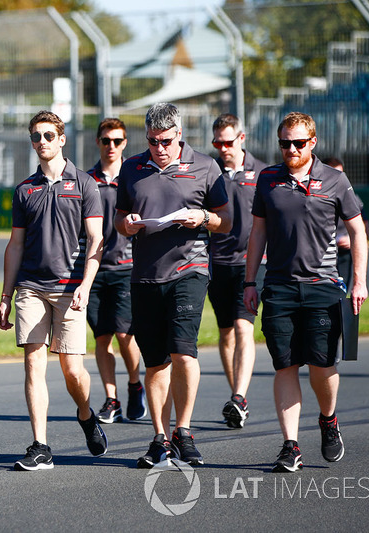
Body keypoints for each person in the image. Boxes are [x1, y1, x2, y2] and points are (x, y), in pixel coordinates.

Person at [244, 112, 368, 473]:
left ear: (312, 142)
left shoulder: (335, 180)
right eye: (285, 143)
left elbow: (357, 231)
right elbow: (257, 234)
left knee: (322, 365)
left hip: (323, 286)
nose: (291, 149)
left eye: (298, 143)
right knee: (285, 365)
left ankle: (328, 419)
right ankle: (290, 446)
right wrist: (251, 282)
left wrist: (358, 280)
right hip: (279, 287)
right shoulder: (268, 179)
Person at [114, 103, 231, 468]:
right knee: (155, 363)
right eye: (152, 141)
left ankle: (184, 431)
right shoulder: (132, 167)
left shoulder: (206, 167)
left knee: (183, 351)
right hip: (145, 275)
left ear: (179, 134)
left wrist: (205, 217)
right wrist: (128, 224)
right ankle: (160, 439)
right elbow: (120, 218)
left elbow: (226, 221)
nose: (159, 148)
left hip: (190, 270)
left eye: (165, 140)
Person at [0, 110, 108, 471]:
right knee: (33, 362)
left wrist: (86, 287)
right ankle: (40, 445)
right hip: (31, 287)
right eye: (35, 137)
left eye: (47, 135)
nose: (41, 142)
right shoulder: (24, 189)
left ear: (61, 139)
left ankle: (87, 414)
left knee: (72, 370)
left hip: (70, 288)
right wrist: (5, 297)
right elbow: (15, 245)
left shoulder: (85, 184)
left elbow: (96, 240)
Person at [207, 114, 268, 429]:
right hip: (216, 262)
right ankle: (237, 399)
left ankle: (240, 396)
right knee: (226, 332)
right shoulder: (209, 170)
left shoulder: (262, 173)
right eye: (217, 143)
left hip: (252, 263)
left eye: (228, 142)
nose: (223, 148)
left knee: (244, 328)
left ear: (241, 138)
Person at [85, 118, 146, 424]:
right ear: (98, 141)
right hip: (93, 269)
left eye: (118, 141)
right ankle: (112, 399)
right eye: (106, 140)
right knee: (102, 338)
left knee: (125, 334)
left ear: (125, 144)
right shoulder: (87, 180)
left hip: (126, 268)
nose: (111, 146)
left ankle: (135, 384)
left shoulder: (134, 177)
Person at [321, 157, 369, 290]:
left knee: (340, 294)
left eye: (340, 174)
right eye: (333, 173)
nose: (337, 178)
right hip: (318, 259)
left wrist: (351, 240)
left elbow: (365, 231)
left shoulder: (352, 198)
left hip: (343, 256)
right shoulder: (312, 196)